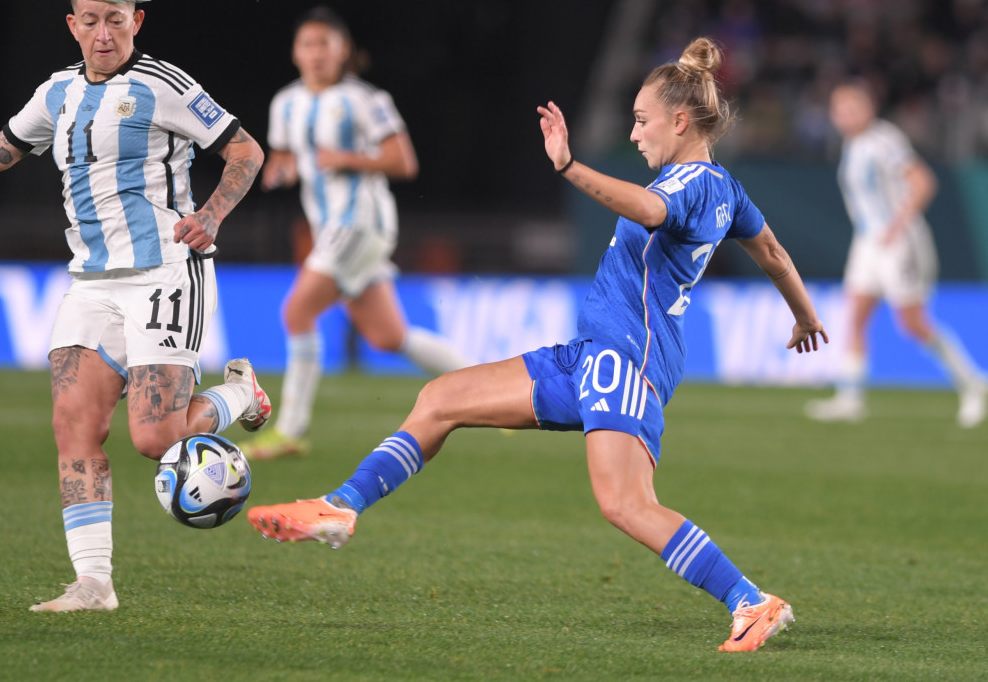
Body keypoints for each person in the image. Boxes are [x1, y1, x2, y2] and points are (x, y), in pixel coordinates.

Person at [247, 38, 829, 652]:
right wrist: (805, 316)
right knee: (442, 398)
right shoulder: (727, 190)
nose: (634, 135)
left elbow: (651, 209)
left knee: (627, 505)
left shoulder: (689, 184)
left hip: (623, 359)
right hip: (593, 353)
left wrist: (569, 167)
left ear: (680, 121)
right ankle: (342, 506)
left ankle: (751, 601)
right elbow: (773, 253)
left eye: (640, 120)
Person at [0, 0, 272, 612]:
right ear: (73, 24)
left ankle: (240, 396)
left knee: (156, 439)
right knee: (74, 425)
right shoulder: (56, 92)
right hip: (91, 280)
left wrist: (211, 214)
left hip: (163, 272)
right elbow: (0, 150)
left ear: (136, 20)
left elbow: (244, 149)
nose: (104, 32)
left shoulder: (164, 86)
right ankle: (94, 584)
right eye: (91, 19)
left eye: (116, 18)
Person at [243, 7, 468, 461]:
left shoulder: (367, 99)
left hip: (359, 222)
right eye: (308, 44)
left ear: (342, 51)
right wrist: (279, 172)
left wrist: (347, 159)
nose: (316, 54)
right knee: (389, 337)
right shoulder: (285, 103)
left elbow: (404, 162)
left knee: (296, 311)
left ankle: (290, 432)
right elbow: (286, 158)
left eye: (325, 44)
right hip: (331, 228)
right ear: (295, 52)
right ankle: (491, 387)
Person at [804, 80, 986, 427]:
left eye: (850, 109)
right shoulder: (852, 144)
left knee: (913, 324)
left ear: (868, 108)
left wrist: (898, 226)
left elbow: (923, 181)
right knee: (855, 315)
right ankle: (850, 398)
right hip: (868, 242)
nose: (843, 117)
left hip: (897, 242)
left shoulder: (883, 141)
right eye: (838, 110)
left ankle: (972, 384)